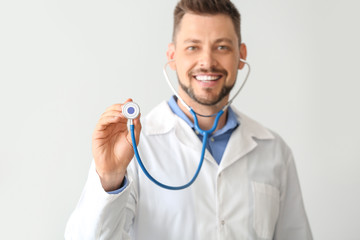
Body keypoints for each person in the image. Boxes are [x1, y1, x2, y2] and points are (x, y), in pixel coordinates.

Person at [65, 0, 313, 239]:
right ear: (172, 57)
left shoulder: (274, 151)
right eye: (193, 47)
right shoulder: (135, 147)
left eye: (222, 47)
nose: (207, 61)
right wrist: (109, 179)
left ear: (241, 55)